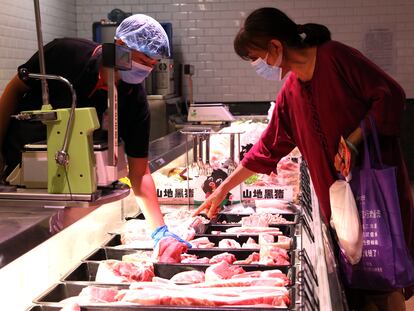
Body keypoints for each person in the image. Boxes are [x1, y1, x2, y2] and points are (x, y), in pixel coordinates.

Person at [193, 7, 414, 310]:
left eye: (257, 57)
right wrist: (222, 189)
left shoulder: (335, 57)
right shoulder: (290, 92)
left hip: (373, 193)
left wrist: (353, 140)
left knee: (381, 280)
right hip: (336, 202)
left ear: (275, 47)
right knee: (355, 285)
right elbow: (267, 147)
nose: (259, 65)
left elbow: (390, 95)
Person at [0, 14, 188, 248]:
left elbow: (139, 172)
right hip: (21, 168)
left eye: (152, 64)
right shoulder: (65, 53)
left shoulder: (134, 99)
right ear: (119, 46)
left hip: (75, 182)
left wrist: (160, 231)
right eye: (143, 60)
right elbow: (13, 89)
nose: (147, 69)